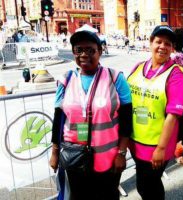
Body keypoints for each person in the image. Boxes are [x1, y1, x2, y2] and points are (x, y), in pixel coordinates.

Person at [49, 29, 132, 200]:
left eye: (90, 50)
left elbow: (126, 119)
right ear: (73, 53)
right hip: (75, 157)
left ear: (100, 51)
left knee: (107, 196)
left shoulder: (115, 78)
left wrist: (122, 153)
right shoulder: (66, 80)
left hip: (108, 158)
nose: (84, 54)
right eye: (79, 50)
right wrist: (55, 153)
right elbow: (58, 120)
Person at [127, 25, 183, 200]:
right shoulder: (138, 67)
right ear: (150, 42)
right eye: (158, 41)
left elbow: (173, 115)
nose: (162, 46)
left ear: (172, 48)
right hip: (136, 140)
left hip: (158, 145)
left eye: (167, 44)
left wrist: (161, 148)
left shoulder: (175, 75)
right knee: (143, 185)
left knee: (149, 187)